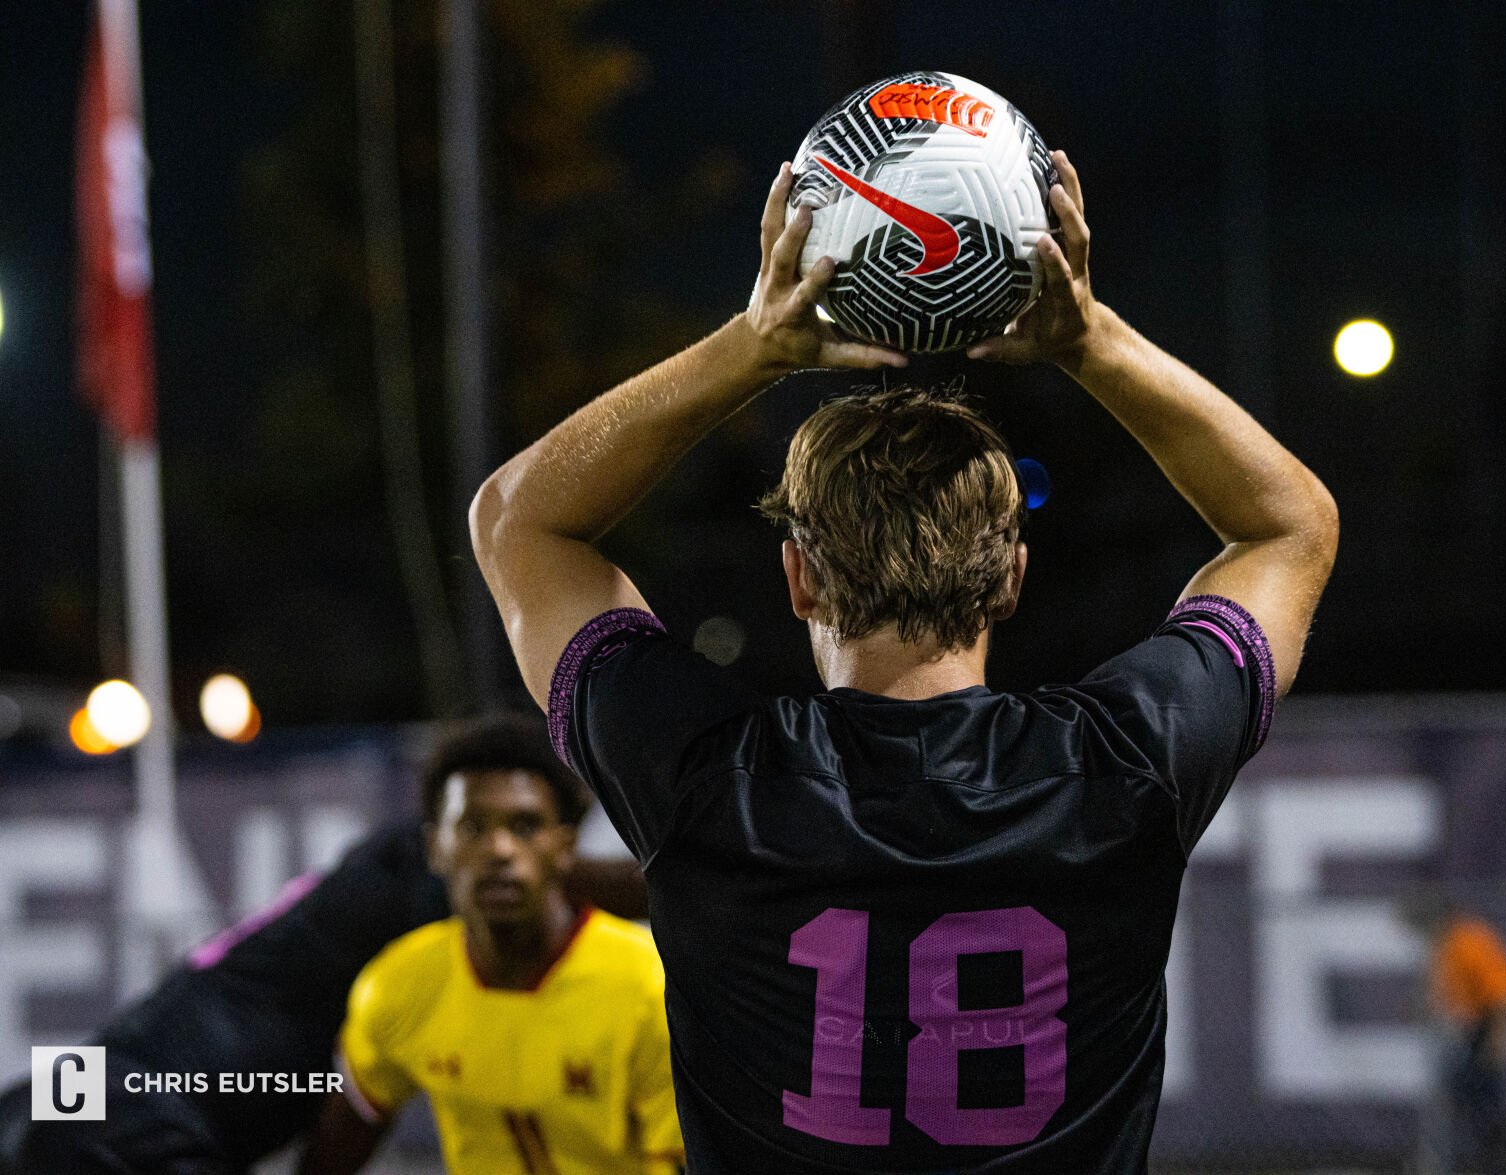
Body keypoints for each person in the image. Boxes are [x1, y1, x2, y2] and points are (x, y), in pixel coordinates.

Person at [471, 152, 1337, 1172]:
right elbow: (1289, 527)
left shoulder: (706, 775)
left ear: (796, 578)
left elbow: (519, 521)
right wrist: (1088, 339)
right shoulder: (1123, 761)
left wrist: (753, 347)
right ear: (1010, 576)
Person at [0, 722, 647, 1175]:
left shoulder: (381, 879)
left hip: (63, 1092)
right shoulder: (421, 877)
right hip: (132, 1121)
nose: (503, 849)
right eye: (480, 826)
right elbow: (578, 882)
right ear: (440, 840)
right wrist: (723, 893)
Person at [299, 716, 683, 1175]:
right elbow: (336, 1145)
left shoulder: (647, 988)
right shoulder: (397, 985)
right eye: (472, 827)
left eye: (524, 826)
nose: (500, 849)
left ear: (565, 847)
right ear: (435, 848)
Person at [1405, 896, 1506, 1173]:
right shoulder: (1448, 944)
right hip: (1472, 1030)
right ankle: (1489, 1157)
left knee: (1487, 1098)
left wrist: (1503, 1033)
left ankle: (1505, 1155)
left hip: (1490, 1025)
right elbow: (1444, 994)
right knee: (1467, 1095)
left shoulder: (1469, 940)